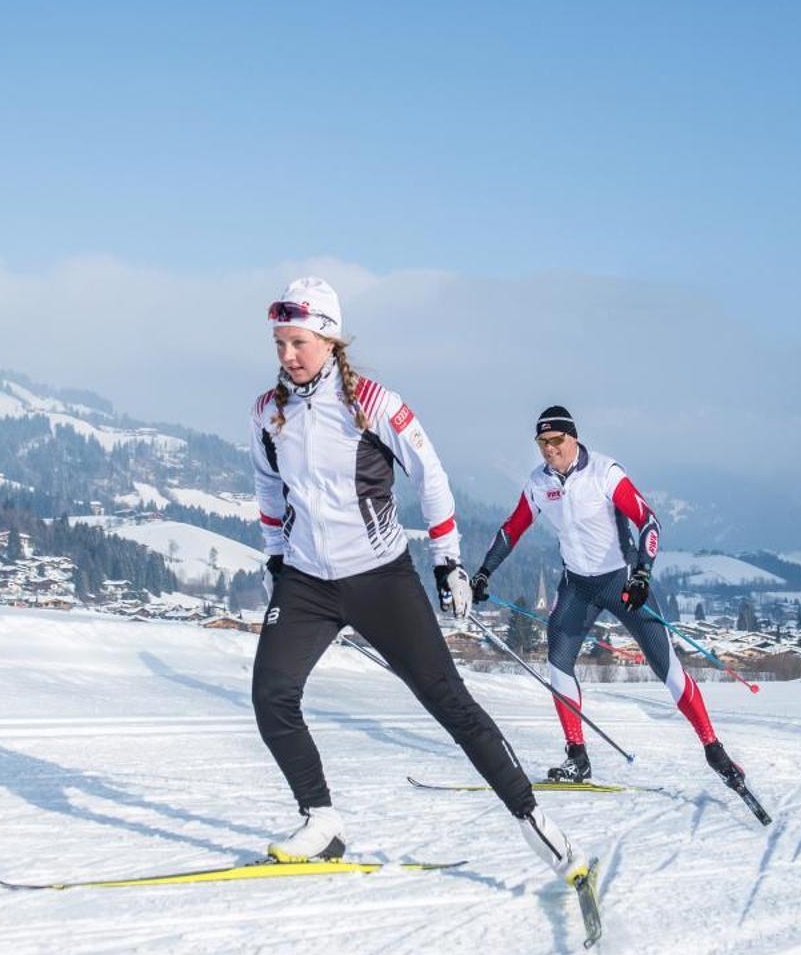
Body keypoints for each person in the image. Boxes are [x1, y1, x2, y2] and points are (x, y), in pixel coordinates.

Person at [249, 278, 588, 889]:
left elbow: (430, 477)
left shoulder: (373, 403)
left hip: (379, 578)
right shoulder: (268, 410)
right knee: (272, 694)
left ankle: (535, 819)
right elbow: (268, 487)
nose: (287, 356)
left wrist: (447, 560)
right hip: (306, 581)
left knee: (448, 701)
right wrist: (277, 554)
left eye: (297, 342)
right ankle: (320, 821)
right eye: (279, 343)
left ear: (328, 339)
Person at [472, 405, 754, 794]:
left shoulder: (605, 473)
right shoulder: (539, 483)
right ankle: (577, 757)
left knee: (667, 669)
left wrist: (642, 574)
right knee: (557, 662)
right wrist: (485, 571)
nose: (549, 449)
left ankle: (715, 750)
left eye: (556, 440)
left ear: (573, 437)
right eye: (542, 443)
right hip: (577, 587)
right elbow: (511, 528)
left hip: (622, 583)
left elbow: (648, 522)